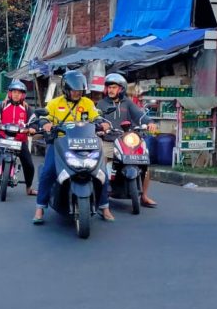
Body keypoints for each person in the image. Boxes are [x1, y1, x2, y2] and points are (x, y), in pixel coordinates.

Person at [33, 71, 111, 224]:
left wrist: (103, 122)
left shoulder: (87, 103)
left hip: (85, 144)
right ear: (66, 89)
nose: (77, 93)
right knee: (48, 172)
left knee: (102, 173)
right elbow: (44, 117)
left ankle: (104, 206)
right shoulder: (55, 103)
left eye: (80, 91)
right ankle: (40, 208)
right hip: (60, 144)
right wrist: (45, 124)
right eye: (74, 90)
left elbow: (96, 117)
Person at [97, 73, 159, 208]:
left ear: (121, 89)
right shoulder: (101, 104)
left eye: (114, 87)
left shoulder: (127, 103)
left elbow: (140, 116)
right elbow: (97, 118)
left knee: (145, 164)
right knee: (100, 166)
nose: (111, 90)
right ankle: (100, 196)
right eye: (109, 87)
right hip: (108, 141)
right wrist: (101, 125)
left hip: (126, 140)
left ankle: (144, 196)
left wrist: (150, 123)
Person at [0, 80, 37, 195]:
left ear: (23, 95)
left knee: (29, 165)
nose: (16, 94)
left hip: (19, 140)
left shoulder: (27, 109)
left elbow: (33, 122)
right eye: (14, 92)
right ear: (10, 93)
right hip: (2, 136)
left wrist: (32, 128)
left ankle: (29, 188)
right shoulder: (2, 105)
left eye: (19, 92)